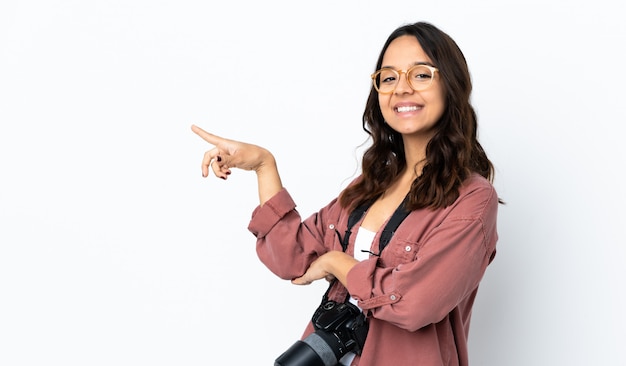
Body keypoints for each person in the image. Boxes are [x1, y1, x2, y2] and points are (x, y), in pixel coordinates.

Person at [192, 21, 500, 366]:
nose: (401, 88)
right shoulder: (369, 186)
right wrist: (265, 165)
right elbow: (291, 258)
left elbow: (416, 304)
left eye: (421, 74)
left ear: (450, 85)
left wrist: (336, 262)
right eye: (388, 77)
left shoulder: (472, 199)